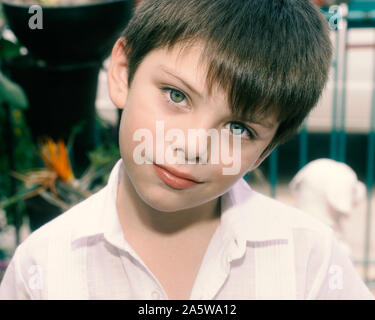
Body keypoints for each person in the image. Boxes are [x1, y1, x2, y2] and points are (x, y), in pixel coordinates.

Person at [0, 0, 373, 300]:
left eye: (239, 128)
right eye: (176, 95)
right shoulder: (42, 267)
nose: (194, 146)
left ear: (264, 152)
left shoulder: (310, 260)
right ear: (122, 73)